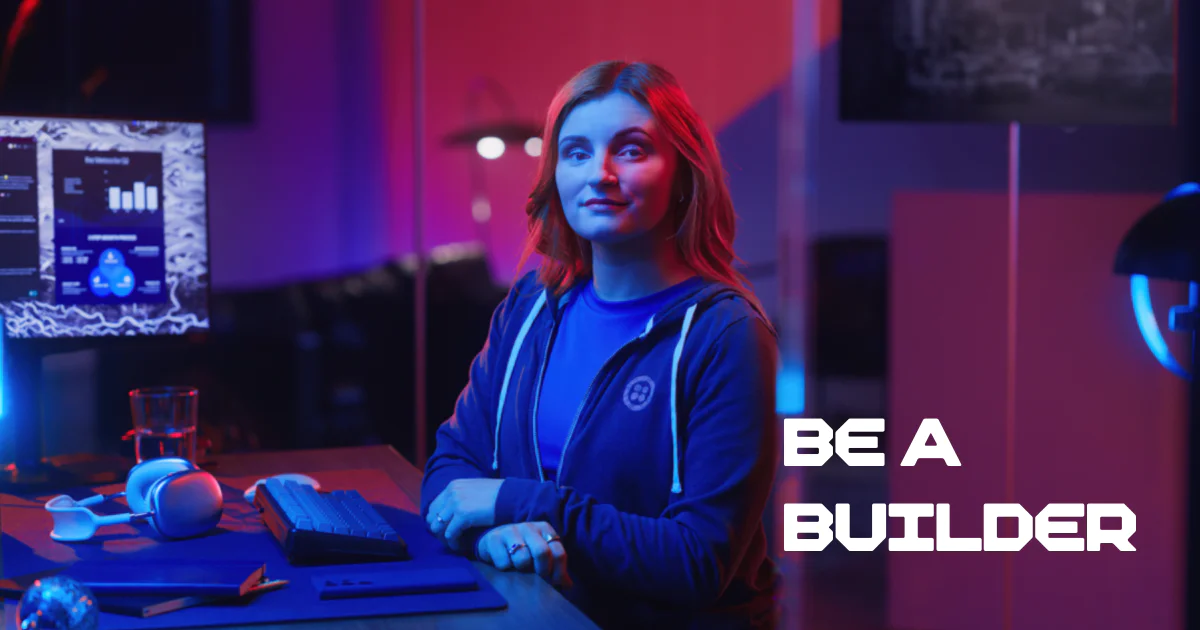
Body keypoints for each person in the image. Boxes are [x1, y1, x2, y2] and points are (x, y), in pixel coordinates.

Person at [421, 60, 781, 629]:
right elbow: (452, 465)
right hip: (537, 616)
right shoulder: (530, 307)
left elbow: (699, 561)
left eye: (632, 150)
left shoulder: (727, 335)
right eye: (577, 152)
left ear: (682, 174)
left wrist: (521, 504)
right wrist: (498, 535)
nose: (601, 174)